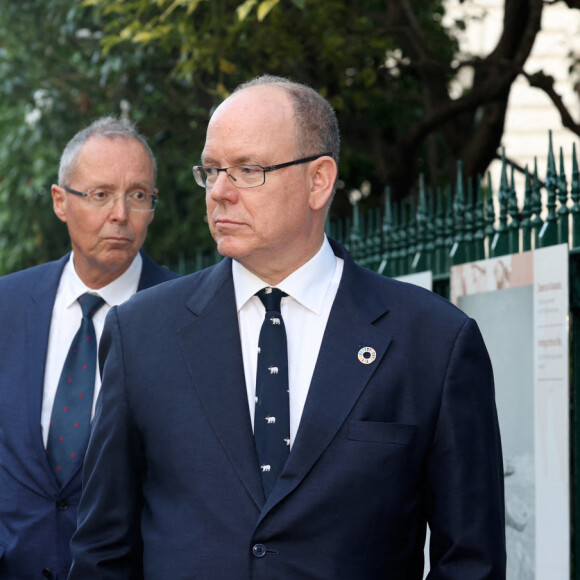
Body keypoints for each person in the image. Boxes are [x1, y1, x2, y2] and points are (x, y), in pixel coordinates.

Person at [69, 76, 506, 579]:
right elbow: (102, 550)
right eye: (211, 171)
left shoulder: (433, 341)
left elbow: (470, 562)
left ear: (319, 180)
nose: (219, 192)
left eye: (247, 170)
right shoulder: (140, 333)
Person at [0, 116, 178, 579]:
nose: (120, 213)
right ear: (61, 201)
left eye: (138, 195)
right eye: (100, 194)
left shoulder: (189, 318)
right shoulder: (7, 305)